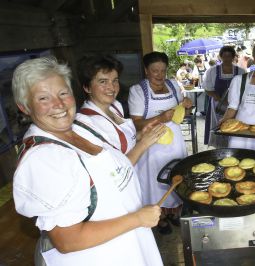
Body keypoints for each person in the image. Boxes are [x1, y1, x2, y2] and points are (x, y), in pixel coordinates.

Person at [12, 57, 163, 265]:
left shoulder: (76, 129)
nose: (59, 104)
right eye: (43, 98)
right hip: (100, 257)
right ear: (25, 107)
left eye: (63, 93)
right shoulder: (43, 159)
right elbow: (67, 240)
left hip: (127, 243)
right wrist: (137, 219)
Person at [128, 51, 192, 234]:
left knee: (176, 175)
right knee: (154, 180)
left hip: (175, 141)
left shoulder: (173, 84)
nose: (160, 75)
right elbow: (136, 123)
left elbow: (182, 114)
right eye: (155, 71)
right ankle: (160, 217)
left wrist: (187, 105)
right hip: (152, 143)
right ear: (146, 70)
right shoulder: (138, 91)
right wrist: (161, 118)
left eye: (163, 71)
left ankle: (173, 212)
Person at [75, 54, 164, 165]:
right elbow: (115, 169)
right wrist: (144, 144)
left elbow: (118, 142)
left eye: (115, 80)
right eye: (103, 81)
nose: (112, 87)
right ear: (87, 87)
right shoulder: (86, 123)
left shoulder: (115, 106)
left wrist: (141, 134)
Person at [203, 46, 246, 147]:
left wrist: (232, 102)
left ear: (233, 57)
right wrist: (221, 100)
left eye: (229, 56)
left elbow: (245, 90)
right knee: (218, 127)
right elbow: (207, 89)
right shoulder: (212, 71)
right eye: (224, 56)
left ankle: (235, 147)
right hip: (217, 105)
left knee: (234, 128)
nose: (227, 58)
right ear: (221, 57)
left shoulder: (241, 72)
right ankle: (219, 147)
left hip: (236, 106)